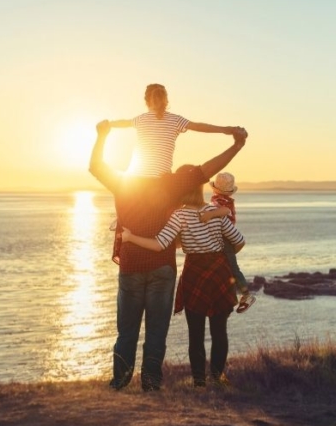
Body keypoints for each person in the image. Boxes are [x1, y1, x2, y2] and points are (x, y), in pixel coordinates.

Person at [88, 119, 247, 392]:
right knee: (156, 332)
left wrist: (102, 136)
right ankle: (151, 382)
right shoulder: (173, 184)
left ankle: (120, 381)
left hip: (131, 266)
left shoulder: (123, 182)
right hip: (163, 268)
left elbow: (95, 166)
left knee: (127, 331)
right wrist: (237, 145)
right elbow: (209, 169)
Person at [121, 182, 245, 387]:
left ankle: (199, 382)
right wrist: (222, 256)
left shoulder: (179, 215)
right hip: (219, 273)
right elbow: (239, 240)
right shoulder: (215, 211)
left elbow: (159, 244)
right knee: (219, 331)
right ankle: (217, 377)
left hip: (194, 273)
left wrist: (130, 237)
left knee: (195, 334)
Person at [109, 83, 240, 177]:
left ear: (146, 101)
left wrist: (108, 124)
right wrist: (224, 129)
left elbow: (123, 123)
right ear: (166, 100)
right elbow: (198, 126)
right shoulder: (176, 120)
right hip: (162, 178)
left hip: (137, 178)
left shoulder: (140, 119)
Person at [201, 172, 255, 313]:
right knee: (227, 267)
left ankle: (246, 294)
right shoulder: (222, 199)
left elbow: (224, 211)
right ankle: (231, 295)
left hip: (225, 237)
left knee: (232, 267)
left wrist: (210, 214)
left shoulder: (222, 201)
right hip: (224, 237)